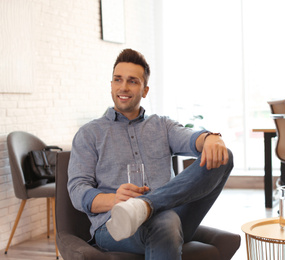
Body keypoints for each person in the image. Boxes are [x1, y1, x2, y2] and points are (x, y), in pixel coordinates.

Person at [67, 48, 234, 259]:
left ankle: (145, 205)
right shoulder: (89, 134)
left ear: (145, 90)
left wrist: (211, 138)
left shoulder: (162, 126)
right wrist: (115, 200)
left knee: (223, 157)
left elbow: (191, 139)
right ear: (111, 85)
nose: (124, 87)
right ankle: (142, 208)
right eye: (118, 80)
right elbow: (77, 190)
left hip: (173, 215)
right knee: (166, 221)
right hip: (112, 226)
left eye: (133, 81)